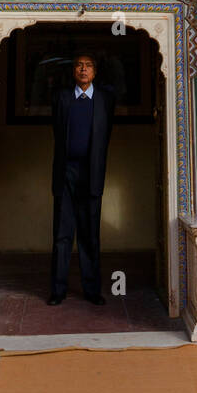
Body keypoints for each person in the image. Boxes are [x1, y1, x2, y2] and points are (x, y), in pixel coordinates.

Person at [48, 50, 115, 305]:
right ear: (73, 71)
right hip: (66, 173)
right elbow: (56, 131)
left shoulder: (105, 100)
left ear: (95, 71)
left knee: (89, 234)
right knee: (63, 234)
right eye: (78, 65)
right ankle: (58, 290)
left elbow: (106, 135)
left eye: (88, 66)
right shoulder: (62, 98)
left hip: (92, 173)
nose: (83, 69)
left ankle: (91, 290)